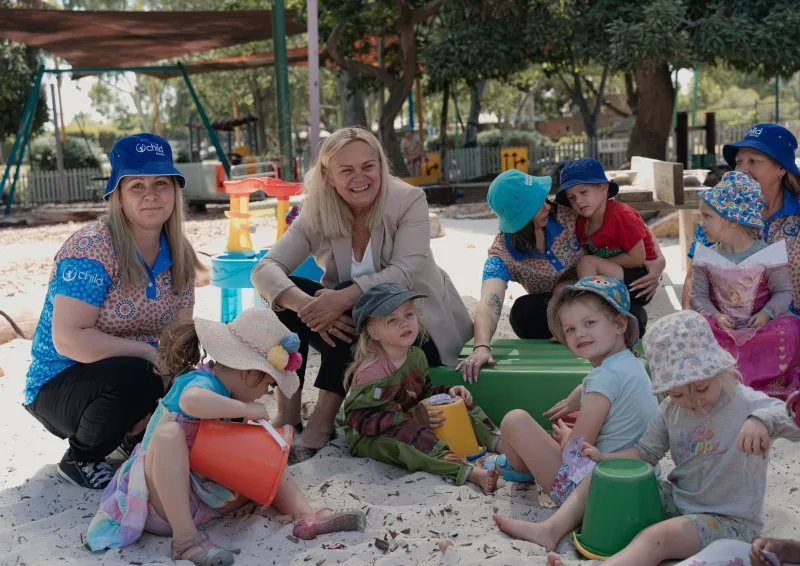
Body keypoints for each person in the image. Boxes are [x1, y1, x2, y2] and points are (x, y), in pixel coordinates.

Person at [86, 308, 366, 566]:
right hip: (164, 502)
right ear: (249, 374)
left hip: (208, 496)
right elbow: (190, 401)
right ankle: (185, 539)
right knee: (169, 434)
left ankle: (305, 514)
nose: (265, 393)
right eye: (268, 385)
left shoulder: (231, 394)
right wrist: (244, 409)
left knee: (267, 450)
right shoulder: (202, 382)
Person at [251, 127, 472, 454]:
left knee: (345, 297)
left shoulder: (408, 200)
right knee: (289, 294)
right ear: (328, 177)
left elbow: (404, 272)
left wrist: (340, 300)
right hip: (349, 331)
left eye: (369, 166)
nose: (360, 178)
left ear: (381, 166)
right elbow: (264, 269)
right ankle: (288, 412)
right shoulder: (319, 208)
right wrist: (308, 307)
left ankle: (323, 418)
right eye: (347, 170)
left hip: (416, 329)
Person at [23, 133, 204, 490]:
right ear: (117, 196)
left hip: (131, 375)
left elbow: (179, 337)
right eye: (136, 185)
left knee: (194, 382)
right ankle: (81, 458)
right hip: (59, 384)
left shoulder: (179, 252)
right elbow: (69, 339)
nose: (151, 194)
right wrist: (148, 353)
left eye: (161, 183)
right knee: (139, 374)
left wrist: (172, 387)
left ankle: (129, 431)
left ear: (175, 191)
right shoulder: (92, 247)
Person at [577, 310, 800, 566]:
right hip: (679, 502)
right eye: (678, 394)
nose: (693, 402)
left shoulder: (745, 402)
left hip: (729, 523)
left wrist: (763, 421)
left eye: (702, 388)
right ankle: (569, 538)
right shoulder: (670, 409)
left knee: (657, 538)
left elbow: (794, 420)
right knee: (617, 491)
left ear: (720, 371)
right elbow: (645, 453)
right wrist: (606, 458)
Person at [491, 276, 658, 549]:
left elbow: (577, 451)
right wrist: (573, 401)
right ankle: (518, 465)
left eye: (589, 323)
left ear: (619, 324)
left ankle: (518, 470)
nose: (579, 333)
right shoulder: (632, 362)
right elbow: (598, 386)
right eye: (570, 329)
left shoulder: (603, 378)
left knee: (514, 420)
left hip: (592, 491)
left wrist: (566, 437)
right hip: (639, 481)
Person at [458, 169, 665, 382]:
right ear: (519, 217)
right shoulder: (502, 253)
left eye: (544, 200)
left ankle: (581, 331)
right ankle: (570, 332)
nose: (547, 207)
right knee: (522, 313)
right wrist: (481, 347)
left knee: (636, 314)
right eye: (536, 205)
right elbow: (490, 299)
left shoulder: (567, 212)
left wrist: (658, 261)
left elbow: (631, 224)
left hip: (601, 290)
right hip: (559, 306)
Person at [342, 283, 501, 493]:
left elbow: (422, 393)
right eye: (392, 320)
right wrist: (409, 418)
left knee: (459, 403)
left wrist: (446, 392)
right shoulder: (372, 372)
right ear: (373, 332)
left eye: (409, 315)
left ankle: (498, 442)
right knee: (412, 437)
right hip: (372, 435)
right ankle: (468, 472)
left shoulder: (416, 356)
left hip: (411, 416)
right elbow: (360, 421)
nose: (404, 323)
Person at [690, 171, 800, 399]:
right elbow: (697, 296)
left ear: (731, 220)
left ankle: (767, 385)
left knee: (790, 330)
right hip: (722, 326)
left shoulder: (768, 254)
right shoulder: (705, 256)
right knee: (695, 326)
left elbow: (783, 291)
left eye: (707, 217)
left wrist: (767, 314)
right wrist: (715, 316)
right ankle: (720, 383)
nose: (702, 223)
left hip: (761, 326)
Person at [683, 123, 800, 313]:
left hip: (789, 323)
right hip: (727, 323)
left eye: (753, 161)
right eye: (739, 162)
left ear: (781, 167)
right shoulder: (720, 210)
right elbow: (693, 279)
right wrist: (691, 323)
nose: (743, 169)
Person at [556, 158, 659, 307]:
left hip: (639, 280)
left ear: (603, 188)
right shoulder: (582, 222)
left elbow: (637, 258)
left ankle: (592, 307)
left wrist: (596, 262)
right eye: (572, 198)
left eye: (583, 192)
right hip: (615, 275)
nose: (578, 201)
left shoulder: (622, 216)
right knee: (564, 286)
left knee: (586, 262)